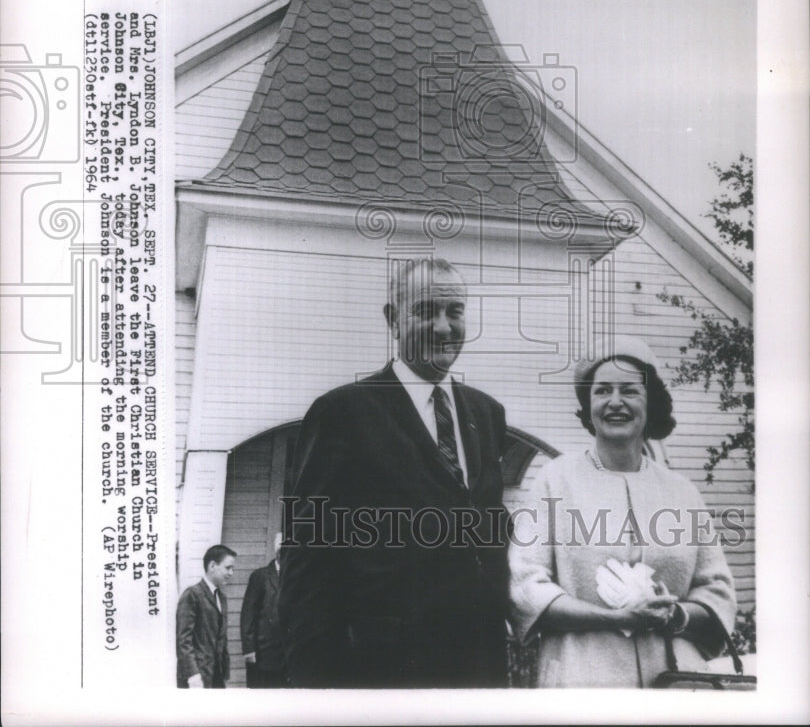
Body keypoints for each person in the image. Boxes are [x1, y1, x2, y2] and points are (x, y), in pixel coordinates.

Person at [278, 257, 510, 688]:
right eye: (425, 310)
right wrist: (315, 688)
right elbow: (306, 558)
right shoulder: (344, 411)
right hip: (379, 672)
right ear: (393, 319)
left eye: (454, 312)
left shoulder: (486, 413)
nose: (443, 327)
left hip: (478, 667)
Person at [509, 336, 737, 688]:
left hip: (676, 683)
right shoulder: (556, 480)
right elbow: (525, 585)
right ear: (588, 404)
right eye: (602, 391)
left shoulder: (682, 492)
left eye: (629, 390)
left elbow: (716, 591)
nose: (615, 402)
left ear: (651, 403)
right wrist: (609, 617)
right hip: (582, 680)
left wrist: (673, 615)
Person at [176, 544, 236, 688]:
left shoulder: (221, 597)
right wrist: (192, 675)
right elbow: (184, 640)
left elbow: (221, 636)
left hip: (216, 674)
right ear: (212, 565)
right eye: (228, 568)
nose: (231, 573)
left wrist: (224, 670)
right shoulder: (192, 595)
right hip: (197, 677)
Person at [240, 532, 289, 688]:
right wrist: (249, 650)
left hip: (287, 655)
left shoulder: (294, 578)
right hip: (264, 654)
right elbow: (248, 614)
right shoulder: (260, 576)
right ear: (278, 552)